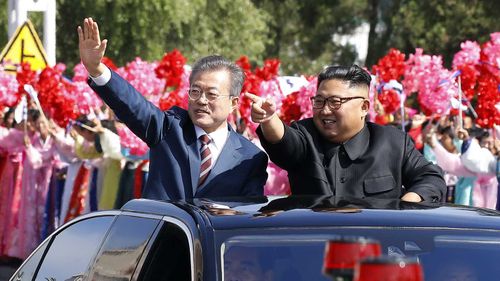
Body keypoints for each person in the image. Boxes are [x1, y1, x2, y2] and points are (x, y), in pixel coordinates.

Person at [78, 18, 268, 200]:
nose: (201, 100)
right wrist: (96, 69)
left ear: (233, 103)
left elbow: (247, 217)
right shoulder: (168, 128)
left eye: (211, 94)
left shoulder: (250, 157)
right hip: (161, 232)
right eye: (195, 91)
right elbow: (133, 104)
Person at [247, 65, 445, 202]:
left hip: (376, 252)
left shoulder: (393, 143)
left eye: (335, 102)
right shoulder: (305, 134)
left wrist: (406, 205)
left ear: (364, 107)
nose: (325, 110)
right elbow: (284, 142)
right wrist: (269, 118)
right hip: (314, 251)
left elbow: (431, 178)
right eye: (319, 101)